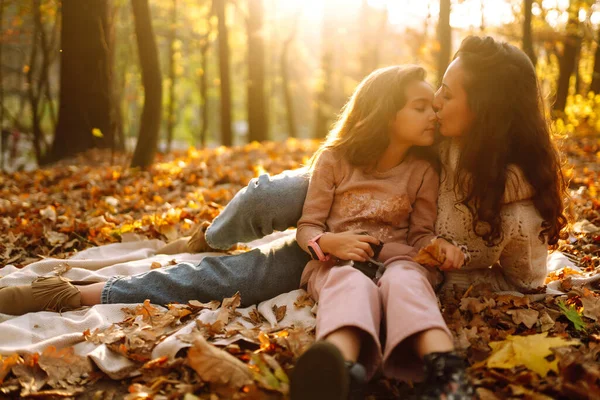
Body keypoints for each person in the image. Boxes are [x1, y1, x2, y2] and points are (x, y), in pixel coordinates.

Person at [0, 35, 566, 398]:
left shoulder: (459, 168)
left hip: (390, 251)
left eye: (443, 96)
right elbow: (316, 212)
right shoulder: (396, 149)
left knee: (281, 274)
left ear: (482, 110)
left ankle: (372, 364)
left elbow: (490, 258)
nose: (437, 106)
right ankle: (83, 286)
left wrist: (443, 254)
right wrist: (327, 236)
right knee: (256, 220)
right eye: (427, 99)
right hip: (329, 228)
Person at [284, 64, 470, 400]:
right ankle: (338, 371)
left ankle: (448, 374)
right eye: (419, 107)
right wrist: (329, 242)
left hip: (400, 262)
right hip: (338, 265)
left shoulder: (423, 170)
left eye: (433, 106)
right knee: (350, 282)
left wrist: (438, 246)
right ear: (385, 113)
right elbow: (307, 226)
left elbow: (420, 236)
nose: (433, 115)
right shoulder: (334, 160)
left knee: (407, 281)